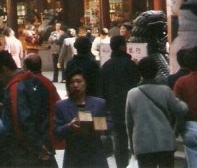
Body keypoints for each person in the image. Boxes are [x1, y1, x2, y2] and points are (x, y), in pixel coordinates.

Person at [0, 50, 54, 167]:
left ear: (4, 69)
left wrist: (37, 145)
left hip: (24, 150)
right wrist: (5, 107)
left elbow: (23, 120)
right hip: (41, 139)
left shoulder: (15, 87)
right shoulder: (32, 80)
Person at [126, 56, 188, 168]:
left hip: (143, 144)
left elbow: (129, 123)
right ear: (156, 71)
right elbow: (181, 109)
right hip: (164, 142)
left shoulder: (132, 94)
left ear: (140, 72)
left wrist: (132, 145)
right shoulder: (165, 91)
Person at [54, 68, 109, 168]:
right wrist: (69, 126)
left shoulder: (99, 103)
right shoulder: (61, 106)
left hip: (96, 156)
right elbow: (57, 132)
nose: (75, 85)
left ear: (85, 83)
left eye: (79, 81)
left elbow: (110, 124)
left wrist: (95, 124)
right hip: (73, 157)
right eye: (72, 82)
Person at [100, 35, 140, 168]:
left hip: (114, 107)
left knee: (119, 138)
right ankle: (135, 161)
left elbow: (103, 89)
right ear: (122, 46)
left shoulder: (106, 66)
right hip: (131, 104)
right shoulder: (130, 64)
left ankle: (121, 165)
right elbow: (136, 82)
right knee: (134, 134)